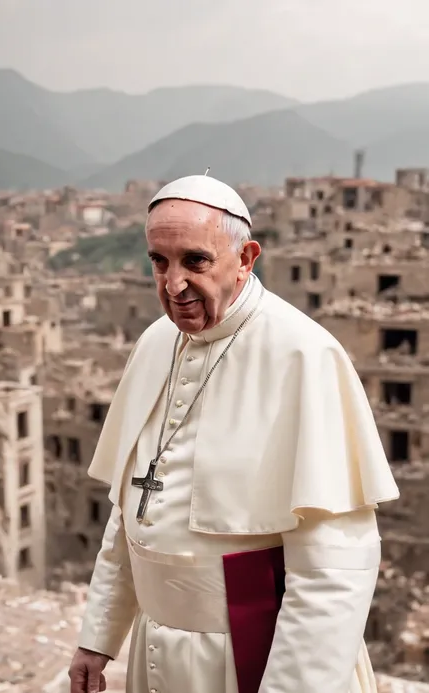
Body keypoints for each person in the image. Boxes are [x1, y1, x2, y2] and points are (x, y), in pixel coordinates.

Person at [68, 174, 399, 693]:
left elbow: (334, 570)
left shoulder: (304, 356)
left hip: (255, 658)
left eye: (195, 261)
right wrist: (98, 636)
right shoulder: (156, 342)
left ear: (246, 258)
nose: (172, 284)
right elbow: (131, 509)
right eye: (159, 261)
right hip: (154, 654)